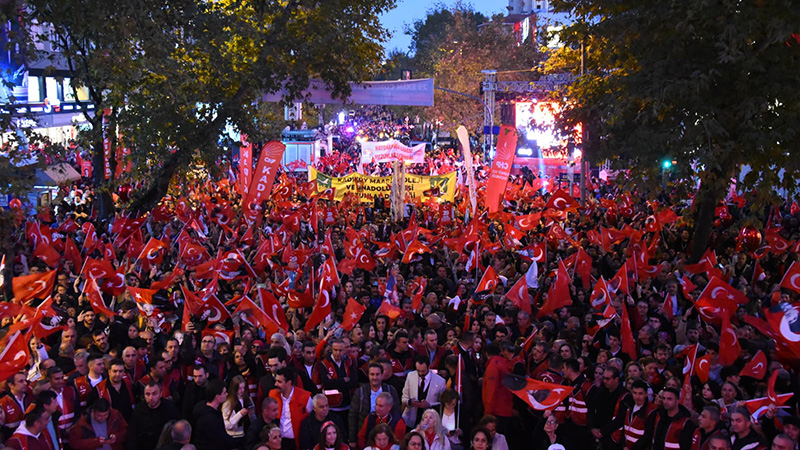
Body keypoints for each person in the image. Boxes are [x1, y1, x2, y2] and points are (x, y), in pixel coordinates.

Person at [349, 362, 402, 447]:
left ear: (382, 375)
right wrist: (352, 439)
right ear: (368, 375)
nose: (374, 377)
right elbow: (353, 416)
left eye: (377, 374)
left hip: (387, 435)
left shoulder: (391, 390)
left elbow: (397, 412)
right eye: (372, 374)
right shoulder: (360, 392)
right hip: (366, 434)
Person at [191, 379, 244, 450]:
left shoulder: (204, 408)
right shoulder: (211, 419)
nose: (227, 394)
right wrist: (244, 440)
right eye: (224, 393)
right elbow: (223, 441)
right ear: (217, 397)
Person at [270, 367, 313, 450]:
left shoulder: (305, 398)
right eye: (276, 381)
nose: (275, 384)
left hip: (297, 443)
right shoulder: (272, 395)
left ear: (289, 383)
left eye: (279, 382)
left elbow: (311, 421)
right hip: (278, 443)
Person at [128, 382, 180, 450]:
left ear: (161, 394)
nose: (151, 398)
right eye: (147, 394)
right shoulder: (138, 410)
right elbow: (132, 435)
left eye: (154, 394)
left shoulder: (170, 409)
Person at [402, 355, 446, 427]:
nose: (420, 373)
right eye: (418, 371)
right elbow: (404, 398)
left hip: (430, 423)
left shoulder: (440, 381)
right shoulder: (410, 376)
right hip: (411, 420)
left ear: (429, 367)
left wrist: (429, 404)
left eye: (423, 371)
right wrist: (410, 402)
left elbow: (442, 403)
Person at [1, 372, 34, 437]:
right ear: (11, 385)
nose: (25, 383)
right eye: (21, 381)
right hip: (13, 441)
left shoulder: (31, 398)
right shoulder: (3, 403)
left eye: (25, 380)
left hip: (32, 438)